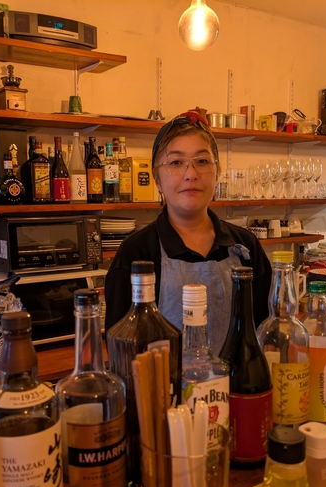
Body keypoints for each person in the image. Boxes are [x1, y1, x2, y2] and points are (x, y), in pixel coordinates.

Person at [104, 109, 272, 352]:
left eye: (202, 161)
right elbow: (121, 350)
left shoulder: (245, 246)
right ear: (157, 180)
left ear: (217, 173)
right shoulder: (137, 253)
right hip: (162, 378)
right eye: (176, 162)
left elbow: (266, 335)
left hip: (239, 378)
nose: (191, 174)